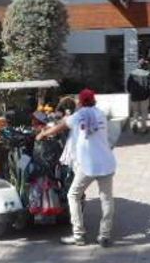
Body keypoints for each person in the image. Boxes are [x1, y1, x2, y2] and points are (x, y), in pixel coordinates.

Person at [37, 88, 117, 247]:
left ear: (80, 102)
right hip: (106, 162)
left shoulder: (78, 116)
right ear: (94, 101)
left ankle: (78, 235)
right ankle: (104, 235)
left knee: (73, 195)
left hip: (88, 165)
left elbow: (58, 128)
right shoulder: (100, 114)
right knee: (107, 199)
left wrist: (43, 134)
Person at [126, 58, 150, 134]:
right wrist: (149, 94)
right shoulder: (147, 74)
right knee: (144, 111)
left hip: (134, 96)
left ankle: (135, 122)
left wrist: (131, 92)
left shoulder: (132, 73)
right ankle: (143, 128)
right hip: (145, 96)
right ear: (145, 66)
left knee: (135, 111)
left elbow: (128, 85)